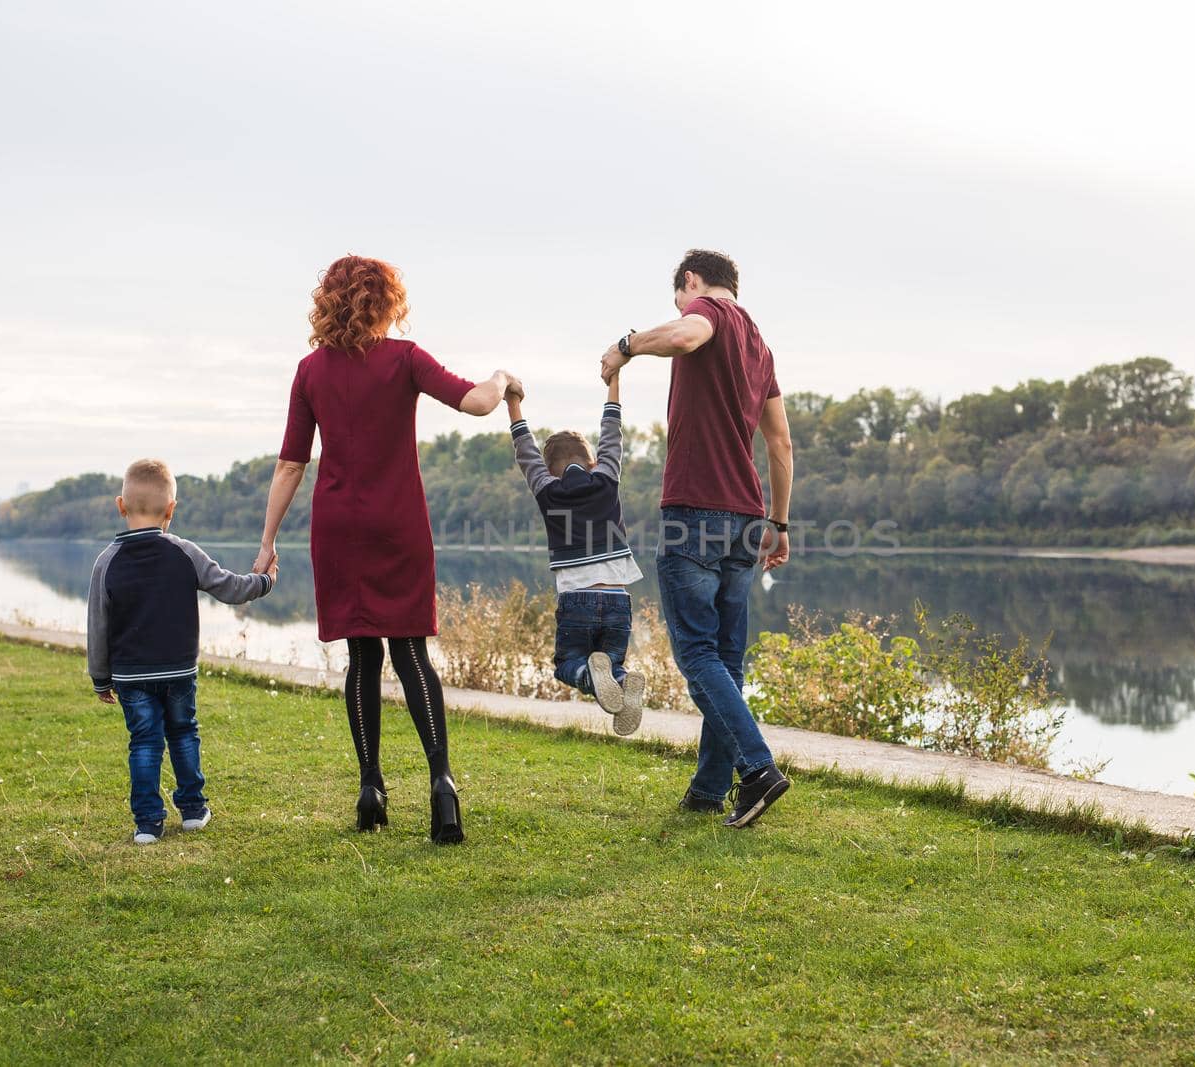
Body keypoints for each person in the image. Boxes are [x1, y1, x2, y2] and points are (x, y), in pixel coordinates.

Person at [254, 255, 516, 842]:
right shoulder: (405, 359)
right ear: (387, 300)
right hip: (398, 524)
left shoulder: (310, 371)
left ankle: (371, 786)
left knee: (362, 657)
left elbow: (291, 463)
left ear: (327, 302)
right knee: (411, 653)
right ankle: (442, 783)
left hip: (338, 530)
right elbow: (476, 402)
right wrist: (502, 378)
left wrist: (268, 540)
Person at [599, 249, 795, 828]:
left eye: (680, 297)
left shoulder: (706, 309)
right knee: (726, 660)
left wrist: (626, 347)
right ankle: (711, 789)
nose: (684, 308)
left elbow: (688, 334)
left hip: (695, 512)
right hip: (746, 518)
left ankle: (757, 768)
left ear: (690, 282)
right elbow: (781, 446)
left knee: (696, 652)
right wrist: (779, 525)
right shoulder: (761, 347)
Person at [87, 458, 276, 844]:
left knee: (144, 742)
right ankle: (192, 810)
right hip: (178, 671)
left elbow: (98, 625)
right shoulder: (185, 552)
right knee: (184, 734)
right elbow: (230, 587)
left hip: (131, 676)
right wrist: (265, 581)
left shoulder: (106, 562)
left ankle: (147, 823)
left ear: (120, 505)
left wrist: (100, 677)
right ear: (171, 509)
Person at [505, 370, 647, 735]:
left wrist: (513, 402)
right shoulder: (607, 477)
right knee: (612, 664)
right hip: (617, 598)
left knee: (567, 664)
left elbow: (526, 453)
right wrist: (613, 380)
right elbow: (612, 433)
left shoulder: (547, 490)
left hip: (576, 599)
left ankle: (588, 674)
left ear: (549, 471)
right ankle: (621, 679)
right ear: (593, 462)